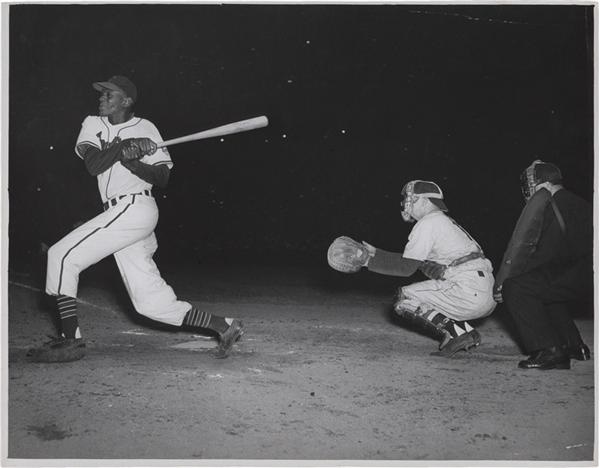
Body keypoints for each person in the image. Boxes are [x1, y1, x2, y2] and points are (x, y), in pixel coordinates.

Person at [28, 75, 244, 362]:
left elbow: (163, 177)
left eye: (109, 94)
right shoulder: (93, 123)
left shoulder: (147, 128)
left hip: (136, 208)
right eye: (102, 94)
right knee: (149, 303)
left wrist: (134, 162)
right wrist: (123, 147)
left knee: (61, 255)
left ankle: (71, 340)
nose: (102, 98)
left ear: (127, 101)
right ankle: (224, 325)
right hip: (119, 214)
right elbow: (93, 165)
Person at [327, 180, 496, 356]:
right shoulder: (440, 221)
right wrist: (376, 253)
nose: (405, 204)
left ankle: (459, 333)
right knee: (421, 287)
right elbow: (411, 261)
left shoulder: (427, 223)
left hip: (469, 290)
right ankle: (463, 331)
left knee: (405, 298)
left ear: (424, 200)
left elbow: (405, 268)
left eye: (410, 199)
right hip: (481, 289)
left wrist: (366, 261)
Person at [493, 160, 593, 370]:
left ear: (539, 185)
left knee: (518, 288)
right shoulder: (577, 202)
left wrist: (512, 280)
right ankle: (574, 346)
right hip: (587, 273)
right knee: (544, 290)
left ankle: (550, 351)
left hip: (581, 273)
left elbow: (548, 253)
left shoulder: (554, 204)